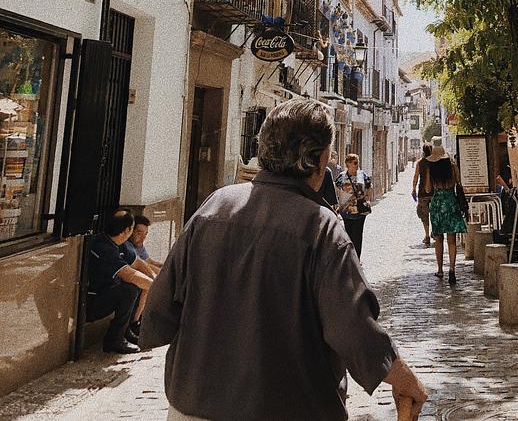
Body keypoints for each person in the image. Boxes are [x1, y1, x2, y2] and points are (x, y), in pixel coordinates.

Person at [140, 99, 426, 421]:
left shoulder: (214, 207)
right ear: (319, 159)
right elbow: (353, 329)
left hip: (192, 405)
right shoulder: (322, 228)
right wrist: (403, 378)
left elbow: (161, 310)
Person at [86, 209, 155, 354]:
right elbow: (130, 275)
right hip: (91, 302)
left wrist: (154, 281)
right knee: (129, 289)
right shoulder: (103, 247)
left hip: (108, 292)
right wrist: (158, 288)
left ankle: (127, 329)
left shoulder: (121, 243)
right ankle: (114, 340)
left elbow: (139, 264)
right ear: (127, 231)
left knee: (136, 287)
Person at [426, 138, 467, 285]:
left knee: (438, 238)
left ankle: (440, 269)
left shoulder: (431, 169)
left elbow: (428, 189)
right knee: (452, 238)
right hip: (451, 201)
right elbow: (459, 182)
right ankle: (452, 269)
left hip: (437, 203)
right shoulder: (452, 166)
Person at [336, 152, 372, 259]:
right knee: (348, 235)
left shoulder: (362, 175)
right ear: (348, 164)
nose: (357, 165)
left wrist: (366, 198)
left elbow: (369, 186)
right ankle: (350, 258)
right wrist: (339, 201)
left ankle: (356, 258)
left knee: (357, 235)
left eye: (357, 163)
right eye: (355, 163)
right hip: (346, 211)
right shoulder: (342, 176)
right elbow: (336, 188)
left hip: (360, 211)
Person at [411, 143, 433, 245]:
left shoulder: (420, 163)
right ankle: (434, 232)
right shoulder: (435, 162)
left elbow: (416, 176)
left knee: (424, 215)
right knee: (434, 214)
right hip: (434, 192)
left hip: (422, 192)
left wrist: (413, 189)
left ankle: (427, 235)